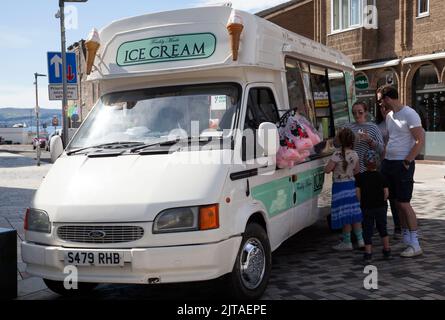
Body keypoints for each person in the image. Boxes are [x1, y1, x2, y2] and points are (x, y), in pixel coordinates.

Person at [377, 85, 425, 258]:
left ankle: (415, 243)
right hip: (388, 163)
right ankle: (406, 239)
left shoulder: (410, 114)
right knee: (396, 203)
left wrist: (407, 161)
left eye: (380, 99)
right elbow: (393, 139)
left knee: (404, 203)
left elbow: (420, 140)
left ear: (388, 98)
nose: (379, 103)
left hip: (402, 164)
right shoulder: (390, 116)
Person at [325, 128, 364, 251]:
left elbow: (327, 169)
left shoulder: (336, 154)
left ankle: (347, 242)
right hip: (351, 186)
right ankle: (361, 240)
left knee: (345, 216)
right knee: (354, 214)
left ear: (340, 140)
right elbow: (357, 171)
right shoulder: (354, 154)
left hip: (339, 188)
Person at [356, 150, 391, 262]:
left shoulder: (360, 177)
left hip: (366, 207)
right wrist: (383, 201)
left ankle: (368, 253)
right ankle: (386, 249)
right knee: (382, 228)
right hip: (380, 207)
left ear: (364, 163)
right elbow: (386, 193)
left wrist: (360, 202)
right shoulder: (382, 176)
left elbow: (358, 193)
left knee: (367, 230)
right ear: (378, 163)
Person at [375, 100, 402, 239]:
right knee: (382, 199)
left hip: (393, 164)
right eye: (381, 108)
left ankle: (398, 227)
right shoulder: (378, 126)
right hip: (380, 166)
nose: (383, 110)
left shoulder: (397, 122)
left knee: (394, 198)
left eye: (385, 108)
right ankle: (381, 227)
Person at [346, 101, 384, 173]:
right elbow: (337, 145)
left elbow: (381, 149)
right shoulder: (348, 127)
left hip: (368, 171)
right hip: (350, 170)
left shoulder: (373, 127)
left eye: (360, 112)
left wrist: (370, 140)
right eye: (354, 113)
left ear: (366, 112)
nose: (357, 115)